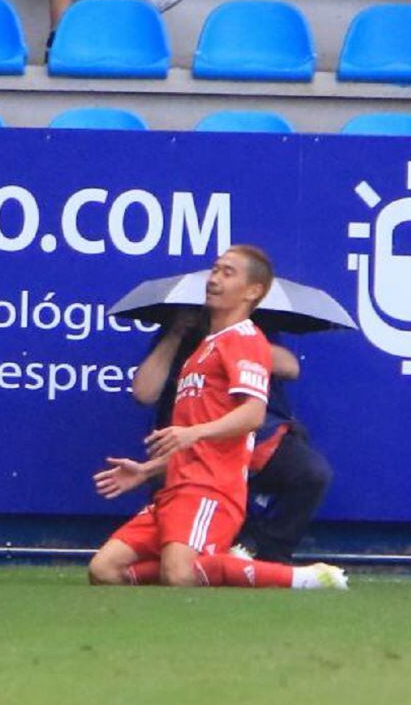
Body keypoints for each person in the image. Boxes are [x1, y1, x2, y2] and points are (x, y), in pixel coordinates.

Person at [88, 245, 347, 590]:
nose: (214, 279)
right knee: (104, 571)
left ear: (253, 291)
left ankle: (305, 578)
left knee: (179, 574)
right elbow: (166, 414)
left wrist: (192, 433)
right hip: (175, 487)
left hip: (209, 488)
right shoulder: (200, 351)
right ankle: (228, 565)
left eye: (228, 273)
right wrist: (147, 470)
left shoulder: (244, 339)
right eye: (214, 270)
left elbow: (254, 414)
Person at [133, 308, 333, 565]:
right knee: (174, 556)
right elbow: (144, 392)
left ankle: (269, 553)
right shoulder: (179, 336)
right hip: (189, 443)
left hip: (258, 436)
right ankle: (212, 552)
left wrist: (229, 341)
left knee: (312, 473)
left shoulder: (250, 331)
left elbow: (290, 367)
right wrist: (176, 333)